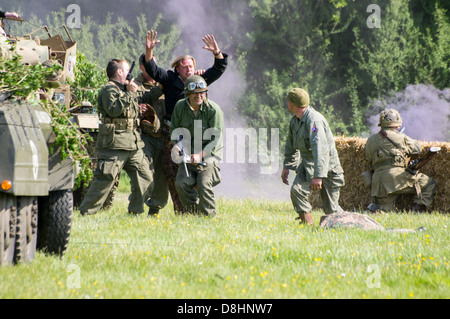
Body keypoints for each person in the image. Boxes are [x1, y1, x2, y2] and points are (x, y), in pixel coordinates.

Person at [138, 30, 228, 215]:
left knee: (194, 173)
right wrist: (149, 51)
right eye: (184, 66)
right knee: (168, 174)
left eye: (191, 66)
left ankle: (190, 211)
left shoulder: (200, 82)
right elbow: (153, 69)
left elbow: (219, 69)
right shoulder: (171, 80)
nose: (188, 69)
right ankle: (159, 208)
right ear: (177, 68)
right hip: (174, 136)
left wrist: (216, 52)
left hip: (196, 137)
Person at [79, 59, 162, 215]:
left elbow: (142, 100)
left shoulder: (126, 89)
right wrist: (130, 93)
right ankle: (86, 213)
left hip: (133, 144)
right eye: (126, 70)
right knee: (105, 180)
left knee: (145, 177)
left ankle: (135, 212)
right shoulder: (109, 90)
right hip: (114, 144)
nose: (129, 74)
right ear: (119, 72)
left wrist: (142, 105)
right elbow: (113, 110)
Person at [281, 88, 345, 226]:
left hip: (328, 168)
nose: (287, 104)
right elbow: (291, 146)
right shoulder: (295, 121)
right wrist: (287, 167)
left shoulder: (313, 121)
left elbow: (320, 149)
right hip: (308, 165)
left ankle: (353, 224)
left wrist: (318, 176)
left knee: (331, 211)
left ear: (293, 104)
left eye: (288, 101)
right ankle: (307, 226)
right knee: (297, 191)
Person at [170, 75, 224, 217]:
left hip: (209, 155)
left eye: (202, 93)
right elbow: (175, 130)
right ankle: (194, 214)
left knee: (204, 184)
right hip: (187, 156)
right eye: (195, 93)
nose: (199, 96)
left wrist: (200, 155)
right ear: (188, 94)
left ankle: (209, 217)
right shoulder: (180, 107)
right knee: (181, 183)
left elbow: (215, 140)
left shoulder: (213, 110)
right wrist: (176, 146)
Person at [365, 109, 436, 213]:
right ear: (397, 124)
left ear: (381, 124)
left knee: (384, 212)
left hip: (378, 182)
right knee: (428, 183)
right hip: (397, 178)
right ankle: (417, 211)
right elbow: (417, 149)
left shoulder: (371, 140)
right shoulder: (401, 137)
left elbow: (369, 157)